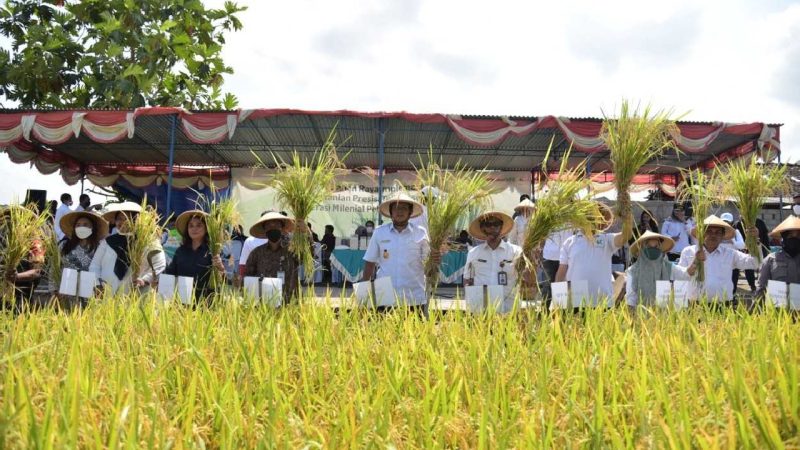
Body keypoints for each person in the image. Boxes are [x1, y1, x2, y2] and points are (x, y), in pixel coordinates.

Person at [362, 192, 440, 312]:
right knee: (383, 324)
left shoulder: (420, 233)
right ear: (390, 212)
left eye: (404, 208)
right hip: (385, 295)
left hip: (414, 296)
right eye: (396, 208)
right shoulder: (380, 232)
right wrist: (363, 291)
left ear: (410, 212)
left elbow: (428, 263)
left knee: (415, 324)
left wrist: (435, 259)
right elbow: (369, 262)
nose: (400, 211)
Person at [555, 204, 633, 307]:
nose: (592, 221)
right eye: (589, 217)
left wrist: (627, 218)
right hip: (576, 299)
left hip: (603, 300)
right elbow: (561, 273)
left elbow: (626, 235)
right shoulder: (570, 242)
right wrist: (558, 301)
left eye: (597, 218)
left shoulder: (607, 239)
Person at [677, 215, 759, 305]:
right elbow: (680, 277)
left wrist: (755, 240)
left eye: (718, 232)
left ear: (723, 236)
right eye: (709, 231)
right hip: (695, 305)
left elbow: (754, 263)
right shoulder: (688, 252)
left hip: (723, 305)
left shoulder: (730, 254)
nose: (713, 235)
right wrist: (695, 262)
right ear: (702, 233)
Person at [89, 202, 165, 294]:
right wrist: (97, 284)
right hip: (107, 294)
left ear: (137, 220)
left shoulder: (148, 242)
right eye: (119, 219)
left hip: (137, 295)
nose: (123, 222)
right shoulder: (107, 242)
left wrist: (145, 280)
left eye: (128, 218)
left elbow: (159, 266)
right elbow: (95, 265)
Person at [159, 210, 225, 305]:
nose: (194, 229)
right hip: (182, 302)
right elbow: (170, 273)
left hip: (206, 302)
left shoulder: (214, 251)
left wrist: (220, 268)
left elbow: (222, 279)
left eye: (199, 225)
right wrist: (158, 280)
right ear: (187, 230)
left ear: (206, 229)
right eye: (191, 226)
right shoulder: (180, 251)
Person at [463, 211, 524, 313]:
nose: (492, 227)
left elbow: (527, 277)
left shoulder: (516, 251)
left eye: (496, 224)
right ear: (482, 228)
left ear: (501, 227)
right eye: (488, 224)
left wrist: (533, 260)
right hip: (481, 308)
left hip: (508, 308)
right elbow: (467, 280)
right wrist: (470, 298)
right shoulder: (474, 253)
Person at [244, 211, 299, 303]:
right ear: (265, 230)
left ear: (282, 228)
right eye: (269, 226)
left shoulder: (292, 250)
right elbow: (248, 277)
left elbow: (309, 255)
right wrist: (240, 282)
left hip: (289, 301)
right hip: (265, 302)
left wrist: (306, 232)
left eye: (276, 225)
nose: (273, 228)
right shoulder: (257, 253)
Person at [57, 210, 109, 308]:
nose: (81, 227)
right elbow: (55, 268)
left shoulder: (100, 247)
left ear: (92, 228)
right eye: (78, 225)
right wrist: (55, 289)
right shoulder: (64, 246)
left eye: (85, 224)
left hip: (92, 293)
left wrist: (100, 288)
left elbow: (103, 269)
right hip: (66, 292)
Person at [1, 207, 45, 313]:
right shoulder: (3, 240)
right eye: (10, 219)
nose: (13, 223)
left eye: (18, 220)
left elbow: (37, 271)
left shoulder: (35, 244)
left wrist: (16, 277)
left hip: (21, 296)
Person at [625, 231, 679, 310]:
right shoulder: (633, 271)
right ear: (642, 248)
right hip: (641, 314)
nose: (653, 250)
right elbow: (630, 300)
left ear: (660, 248)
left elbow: (686, 274)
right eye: (649, 247)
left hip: (664, 315)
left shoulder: (669, 267)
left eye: (656, 246)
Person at [755, 215, 800, 303]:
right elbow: (761, 288)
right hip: (777, 309)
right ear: (784, 238)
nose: (794, 239)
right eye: (790, 236)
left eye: (798, 236)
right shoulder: (770, 260)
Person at [733, 216, 769, 293]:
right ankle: (752, 286)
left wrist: (766, 248)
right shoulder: (738, 224)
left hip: (760, 248)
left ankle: (762, 286)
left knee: (763, 268)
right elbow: (735, 237)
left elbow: (765, 237)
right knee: (749, 268)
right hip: (745, 250)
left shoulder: (760, 222)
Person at [238, 211, 270, 278]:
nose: (272, 226)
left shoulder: (281, 241)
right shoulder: (250, 241)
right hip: (255, 279)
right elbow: (243, 263)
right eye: (268, 223)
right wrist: (242, 280)